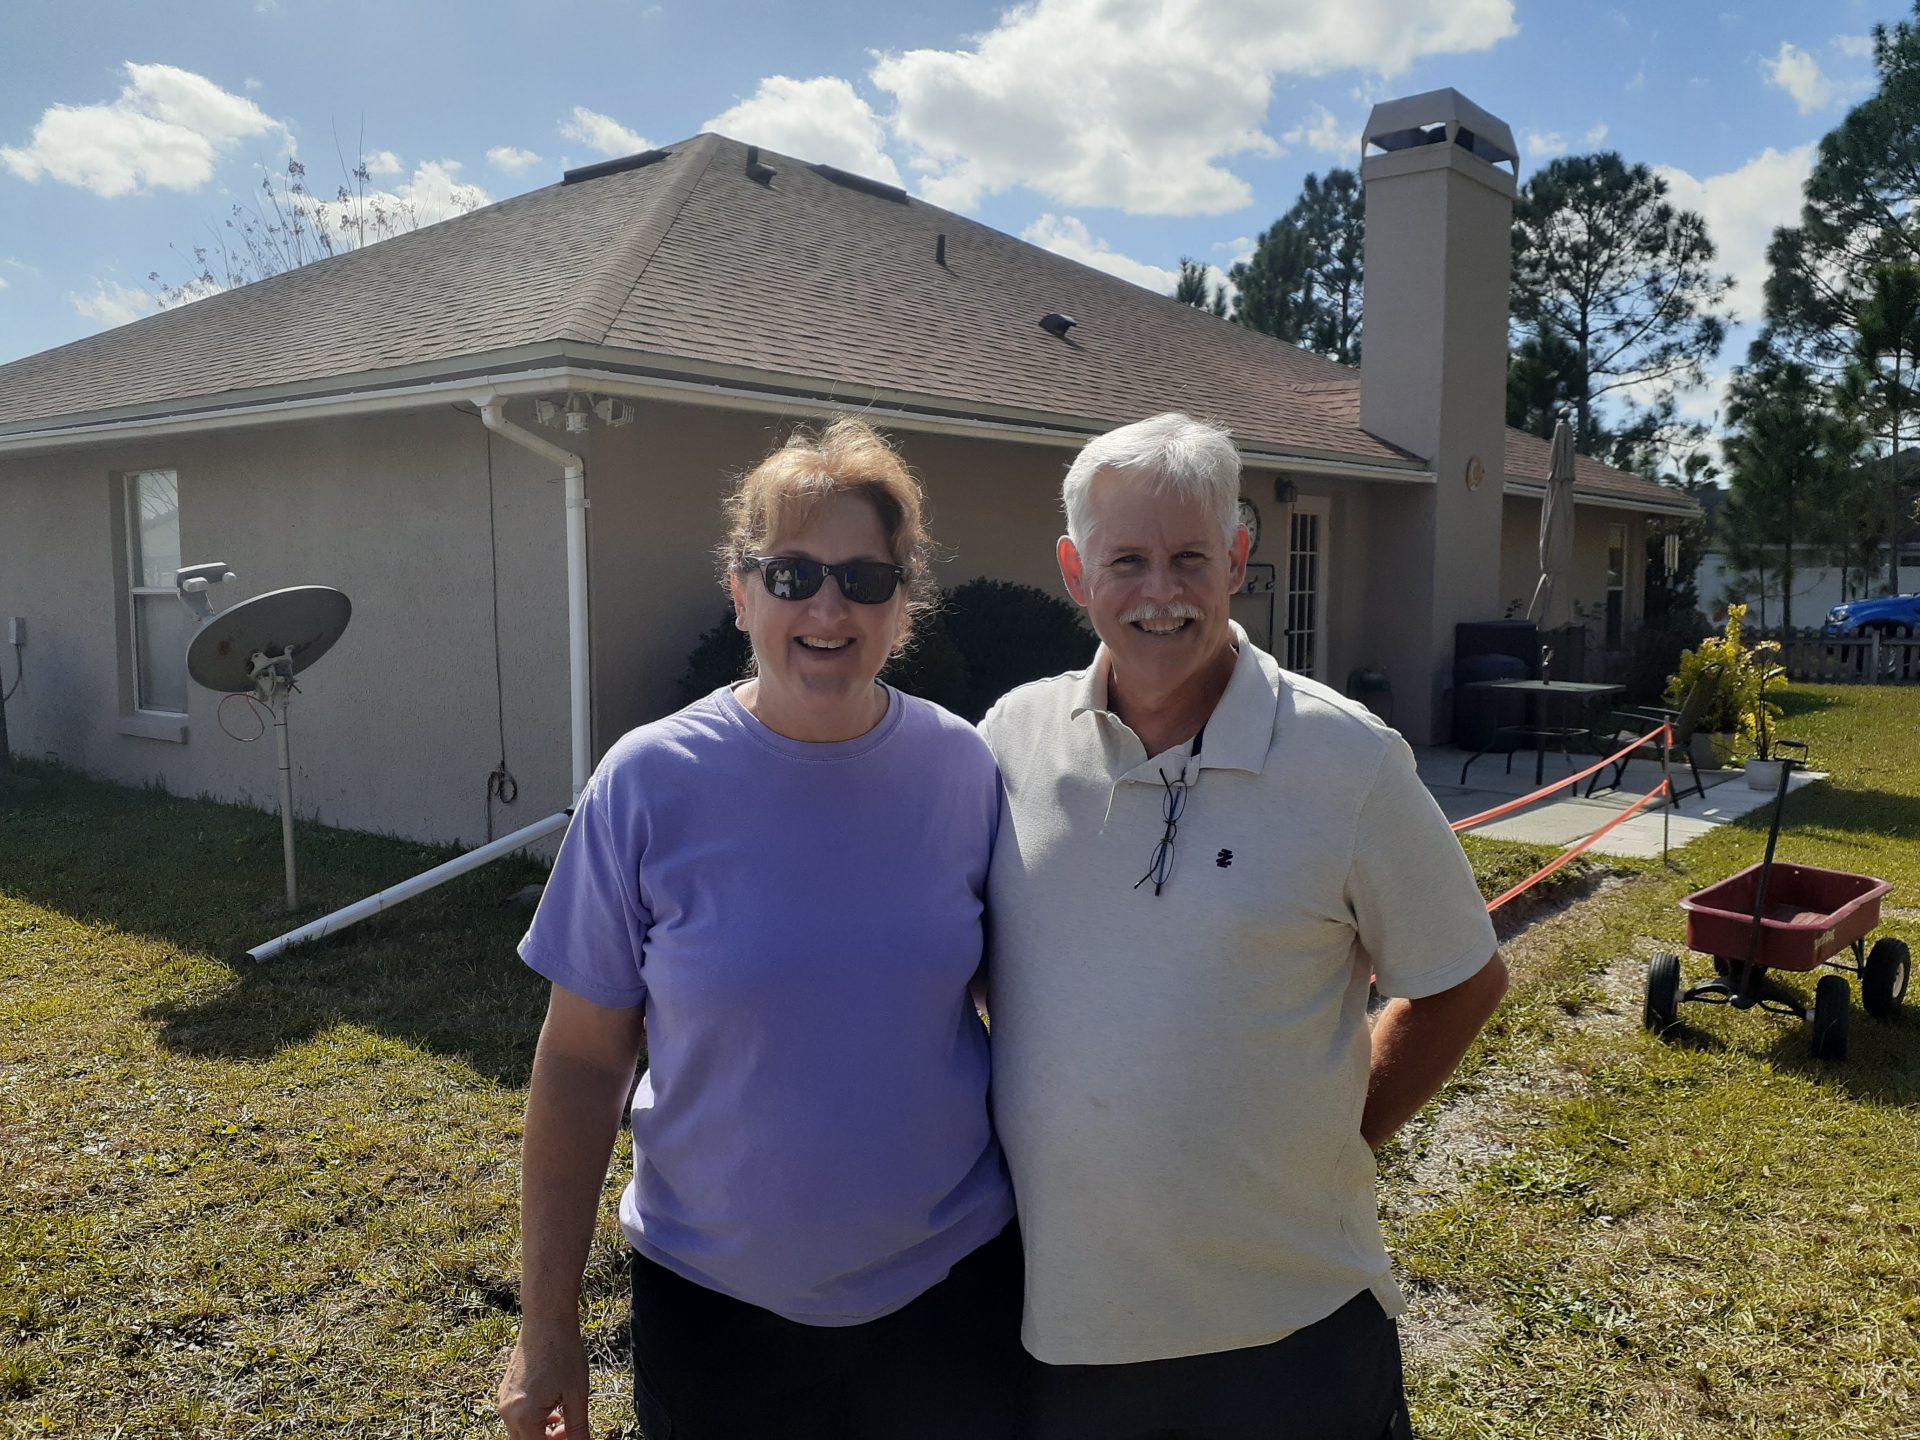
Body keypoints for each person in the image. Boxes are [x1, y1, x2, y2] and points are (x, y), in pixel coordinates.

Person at [980, 412, 1509, 1440]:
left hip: (1290, 1326)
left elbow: (1462, 979)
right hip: (1068, 1325)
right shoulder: (1010, 740)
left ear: (1237, 557)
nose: (1161, 592)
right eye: (1125, 560)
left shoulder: (1348, 761)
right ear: (1073, 570)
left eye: (1189, 557)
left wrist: (1337, 1138)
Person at [497, 417, 1022, 1440]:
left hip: (948, 1300)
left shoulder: (965, 773)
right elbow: (580, 1060)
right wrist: (547, 1326)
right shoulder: (647, 783)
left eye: (866, 580)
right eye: (791, 575)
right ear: (740, 593)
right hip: (713, 1315)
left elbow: (1025, 1012)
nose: (828, 606)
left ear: (904, 606)